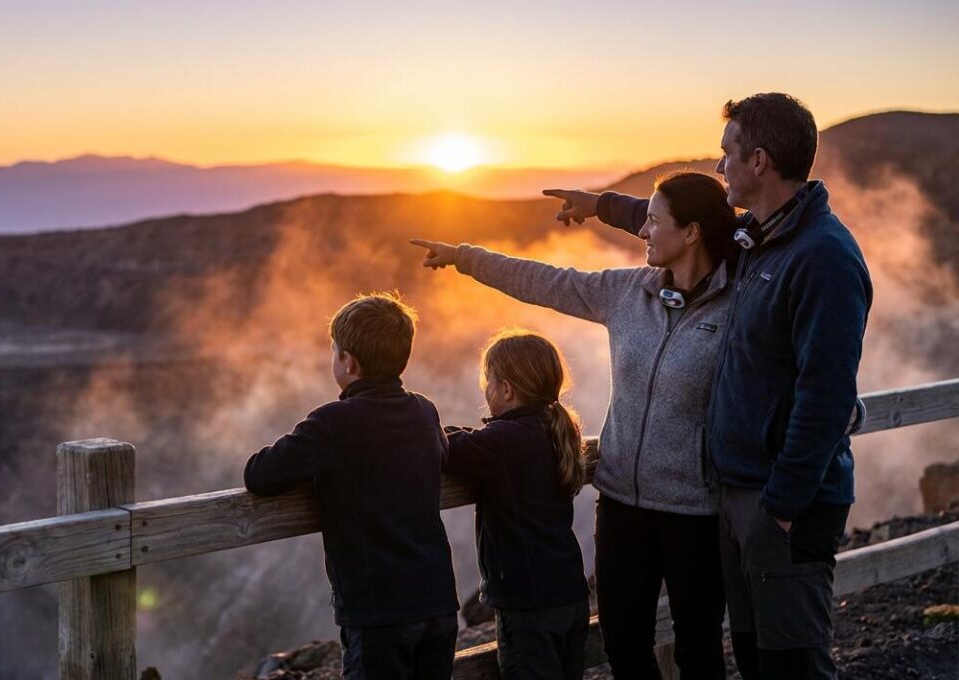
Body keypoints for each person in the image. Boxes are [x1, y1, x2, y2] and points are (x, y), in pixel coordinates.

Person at [546, 93, 874, 680]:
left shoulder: (822, 257)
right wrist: (600, 205)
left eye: (728, 153)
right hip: (738, 495)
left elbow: (825, 398)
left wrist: (781, 509)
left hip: (782, 503)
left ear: (759, 161)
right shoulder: (757, 240)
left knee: (792, 664)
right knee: (752, 657)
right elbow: (679, 222)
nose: (719, 165)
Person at [411, 171, 737, 680]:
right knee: (624, 646)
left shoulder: (740, 306)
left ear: (692, 232)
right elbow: (548, 281)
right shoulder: (627, 292)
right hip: (622, 508)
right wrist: (466, 258)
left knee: (699, 649)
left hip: (695, 512)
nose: (643, 230)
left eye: (654, 221)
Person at [243, 292, 459, 680]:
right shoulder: (424, 411)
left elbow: (260, 475)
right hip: (437, 600)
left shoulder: (331, 424)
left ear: (349, 362)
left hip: (378, 612)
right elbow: (442, 455)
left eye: (334, 351)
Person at [443, 329, 590, 680]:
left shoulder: (503, 442)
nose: (486, 389)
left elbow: (445, 447)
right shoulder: (557, 430)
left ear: (507, 389)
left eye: (489, 380)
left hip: (528, 604)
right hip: (570, 594)